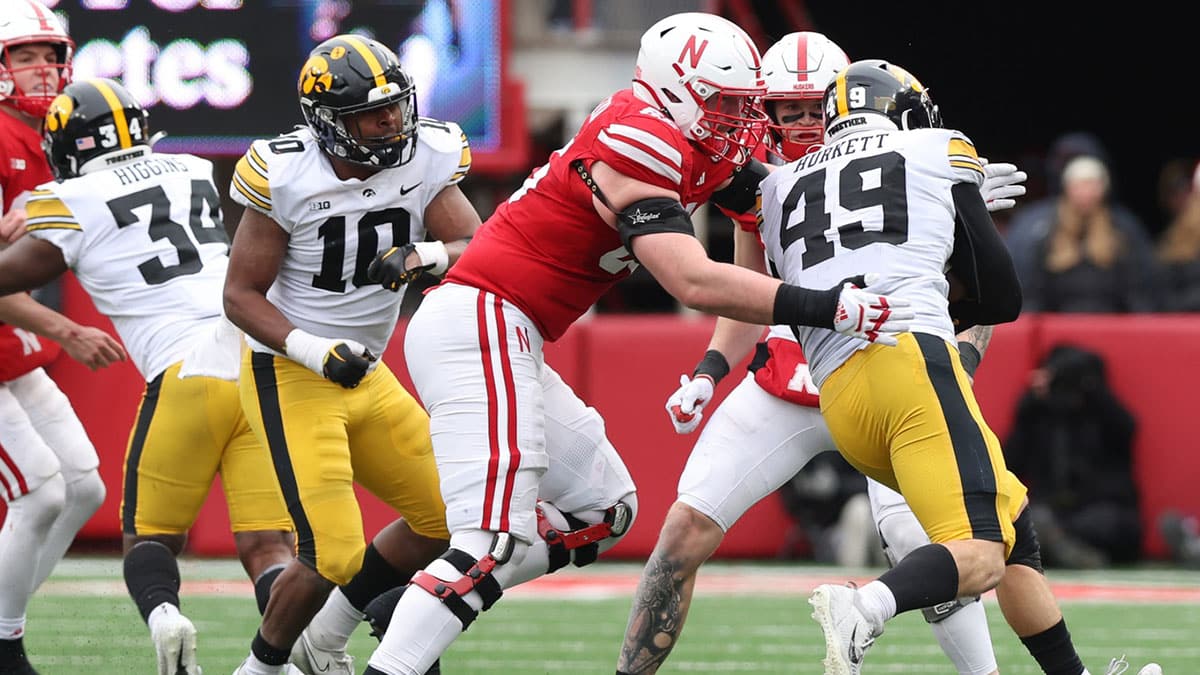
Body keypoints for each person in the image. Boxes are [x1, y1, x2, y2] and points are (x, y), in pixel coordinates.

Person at [358, 14, 913, 675]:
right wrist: (831, 305)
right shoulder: (637, 135)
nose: (740, 121)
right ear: (674, 89)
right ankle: (409, 640)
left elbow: (794, 201)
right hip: (481, 319)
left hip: (509, 330)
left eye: (743, 105)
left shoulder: (695, 141)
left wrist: (931, 187)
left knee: (602, 510)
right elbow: (691, 277)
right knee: (494, 540)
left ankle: (421, 603)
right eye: (725, 104)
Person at [617, 32, 1018, 675]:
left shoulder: (912, 163)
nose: (803, 123)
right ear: (764, 110)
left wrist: (956, 368)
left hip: (886, 370)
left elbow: (968, 289)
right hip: (789, 381)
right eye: (788, 109)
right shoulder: (766, 186)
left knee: (935, 539)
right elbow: (748, 294)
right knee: (681, 533)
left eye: (813, 108)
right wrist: (708, 371)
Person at [757, 59, 1159, 675]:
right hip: (910, 367)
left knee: (1014, 529)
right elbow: (1001, 295)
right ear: (904, 112)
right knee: (983, 554)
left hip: (839, 393)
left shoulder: (779, 186)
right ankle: (866, 604)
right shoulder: (934, 146)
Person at [0, 76, 299, 675]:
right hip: (262, 365)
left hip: (184, 374)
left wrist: (30, 212)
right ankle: (285, 657)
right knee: (270, 545)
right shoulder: (189, 169)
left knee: (151, 540)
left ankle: (165, 618)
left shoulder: (68, 199)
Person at [223, 33, 479, 675]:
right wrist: (313, 348)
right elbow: (240, 295)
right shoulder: (286, 174)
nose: (392, 122)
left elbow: (477, 242)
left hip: (367, 373)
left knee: (449, 521)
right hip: (291, 372)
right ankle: (262, 667)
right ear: (330, 124)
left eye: (395, 106)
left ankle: (325, 638)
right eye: (373, 113)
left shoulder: (425, 156)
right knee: (330, 551)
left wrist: (428, 256)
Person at [0, 6, 128, 673]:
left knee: (84, 488)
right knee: (42, 491)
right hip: (8, 333)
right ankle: (4, 641)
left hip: (10, 344)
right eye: (26, 56)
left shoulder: (47, 137)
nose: (43, 69)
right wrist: (65, 327)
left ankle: (3, 615)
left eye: (51, 54)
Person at [1005, 344, 1142, 568]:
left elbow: (1126, 429)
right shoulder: (1036, 416)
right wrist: (1029, 405)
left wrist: (1086, 385)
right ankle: (1062, 546)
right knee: (1028, 520)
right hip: (1051, 510)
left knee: (1110, 523)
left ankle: (1058, 544)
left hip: (1097, 508)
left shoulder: (1104, 414)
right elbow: (1009, 465)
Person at [1021, 155, 1161, 312]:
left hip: (1110, 323)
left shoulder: (1122, 229)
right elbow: (1034, 289)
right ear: (1067, 188)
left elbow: (1138, 288)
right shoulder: (1047, 230)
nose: (1085, 193)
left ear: (1103, 189)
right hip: (1059, 325)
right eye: (1079, 186)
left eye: (1092, 185)